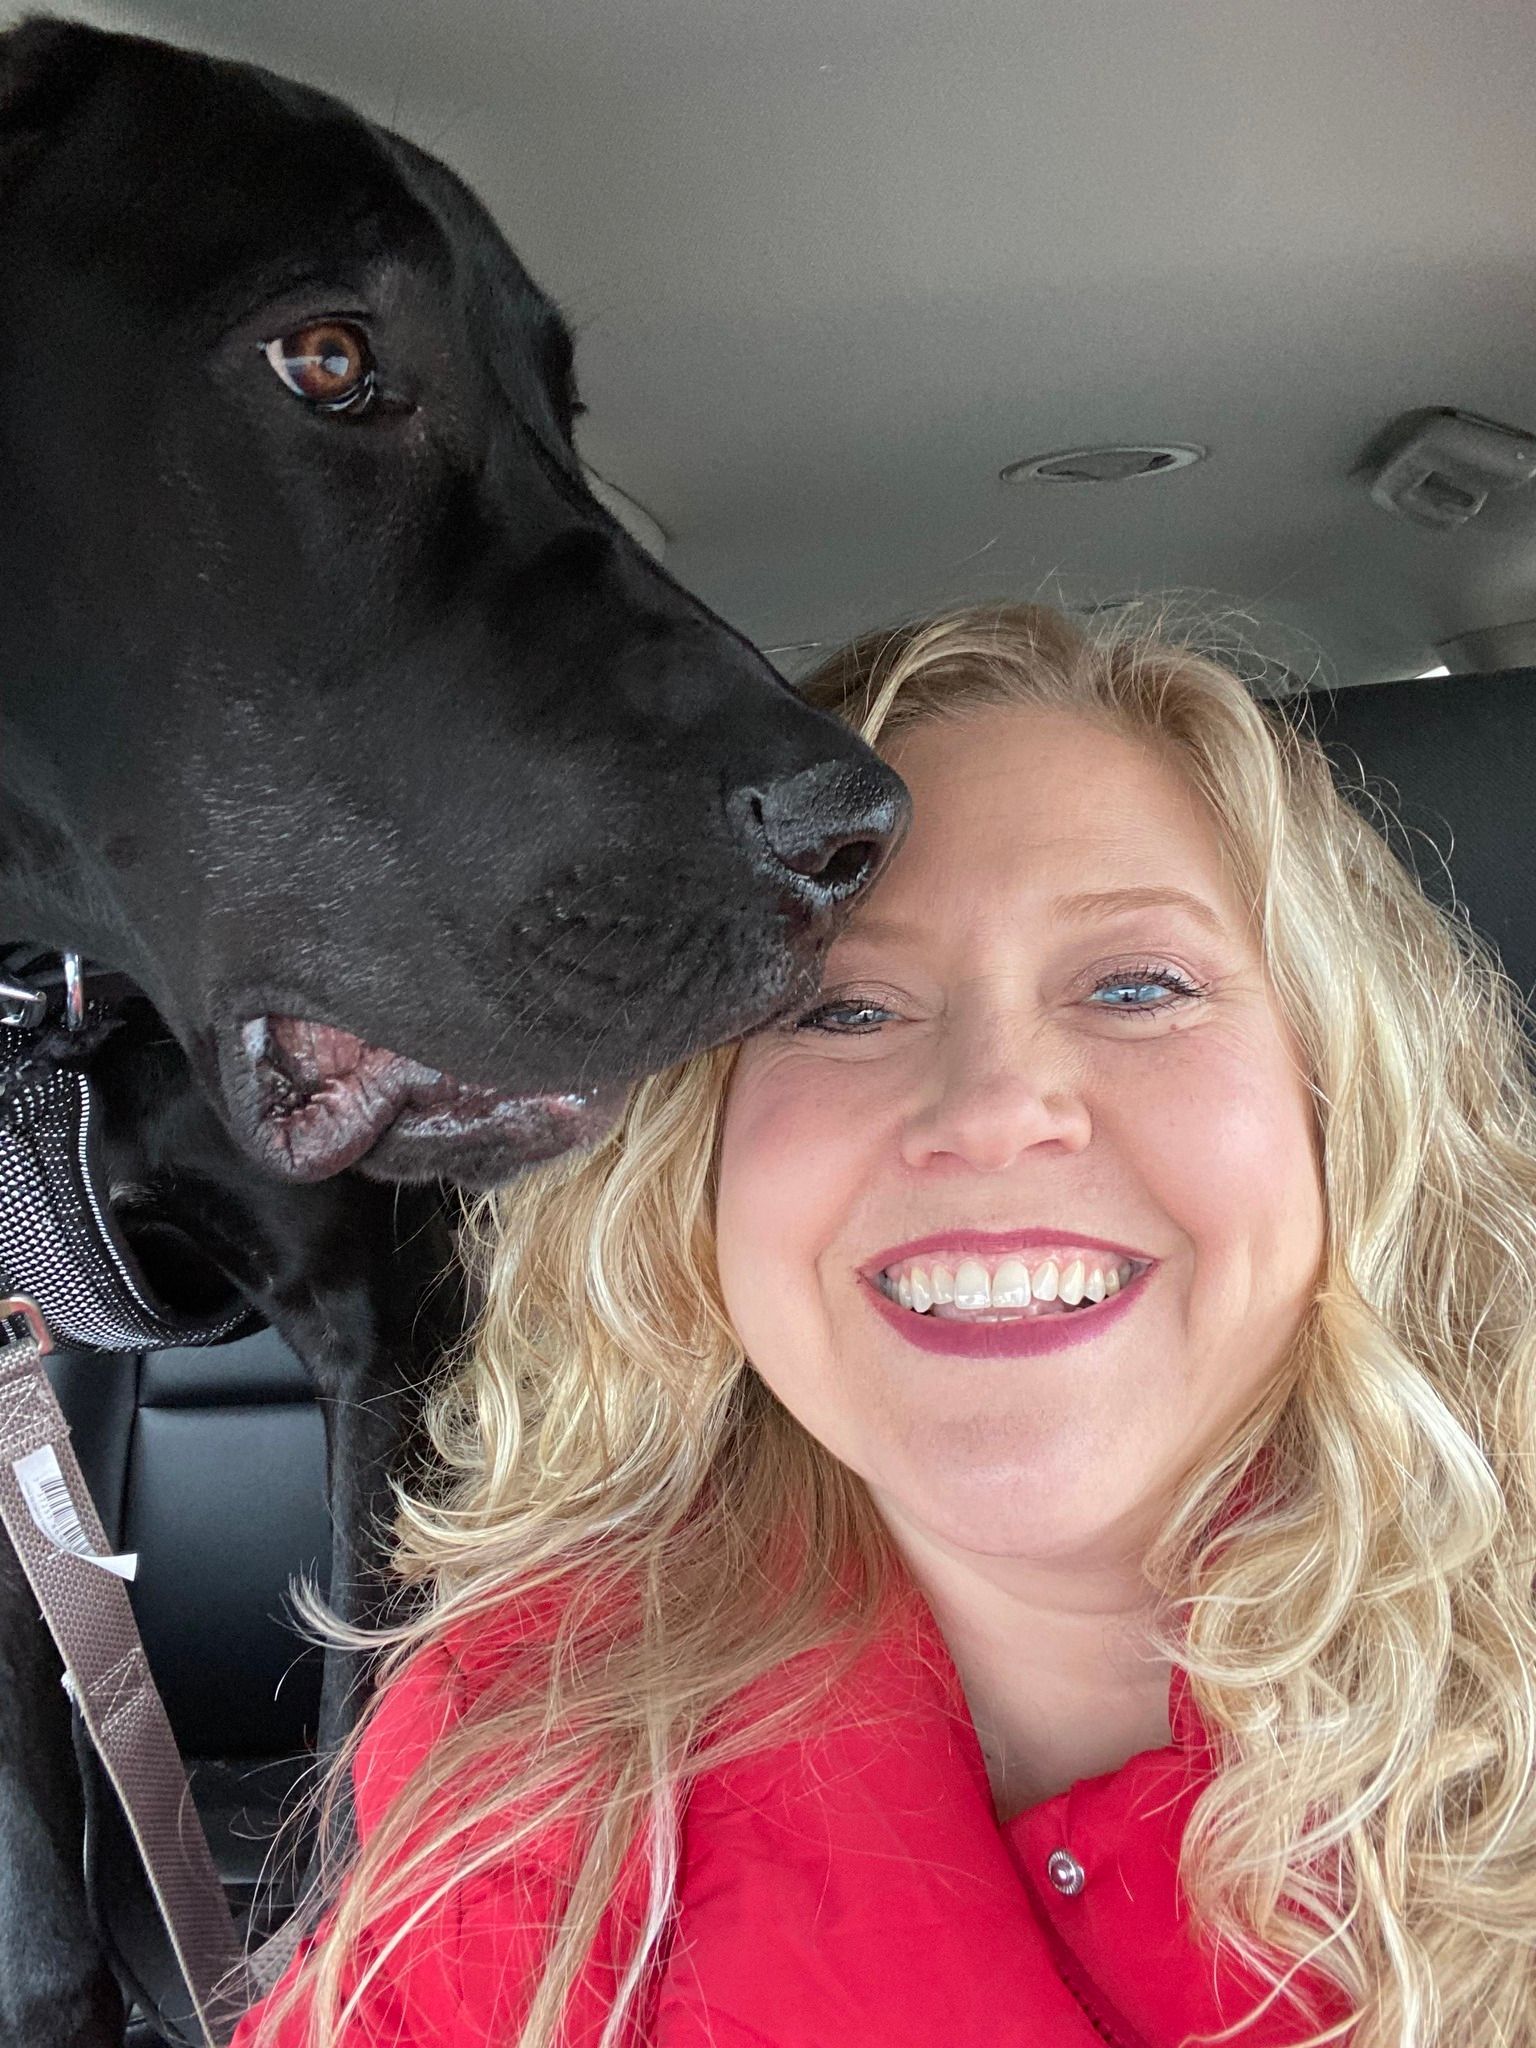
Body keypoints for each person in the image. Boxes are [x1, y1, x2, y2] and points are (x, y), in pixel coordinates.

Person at [233, 605, 1536, 2048]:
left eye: (1137, 986)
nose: (989, 1106)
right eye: (843, 1008)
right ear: (696, 1158)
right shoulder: (542, 1769)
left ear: (1344, 1101)